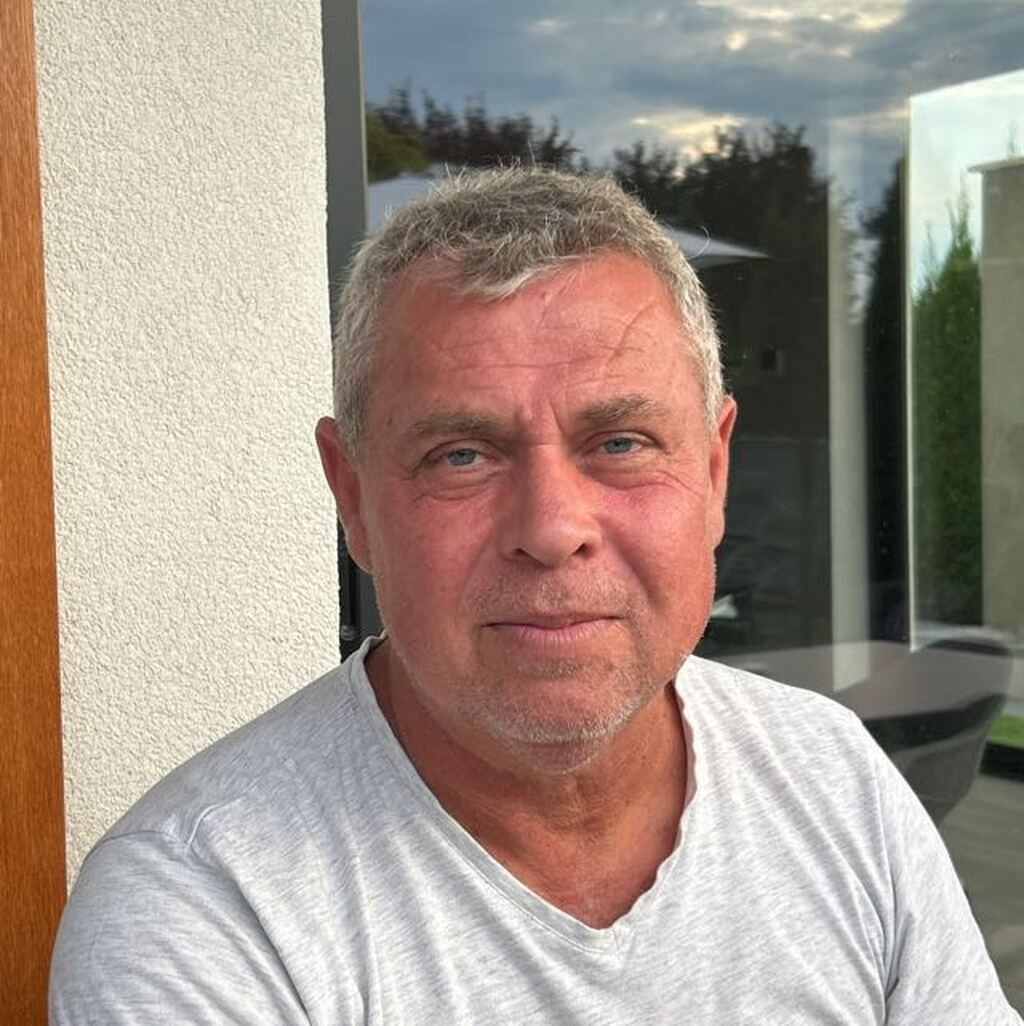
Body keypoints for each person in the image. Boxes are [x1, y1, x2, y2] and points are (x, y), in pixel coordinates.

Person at [50, 167, 1020, 1024]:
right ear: (353, 498)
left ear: (714, 472)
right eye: (461, 455)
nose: (553, 528)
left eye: (621, 443)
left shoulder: (831, 777)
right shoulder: (202, 911)